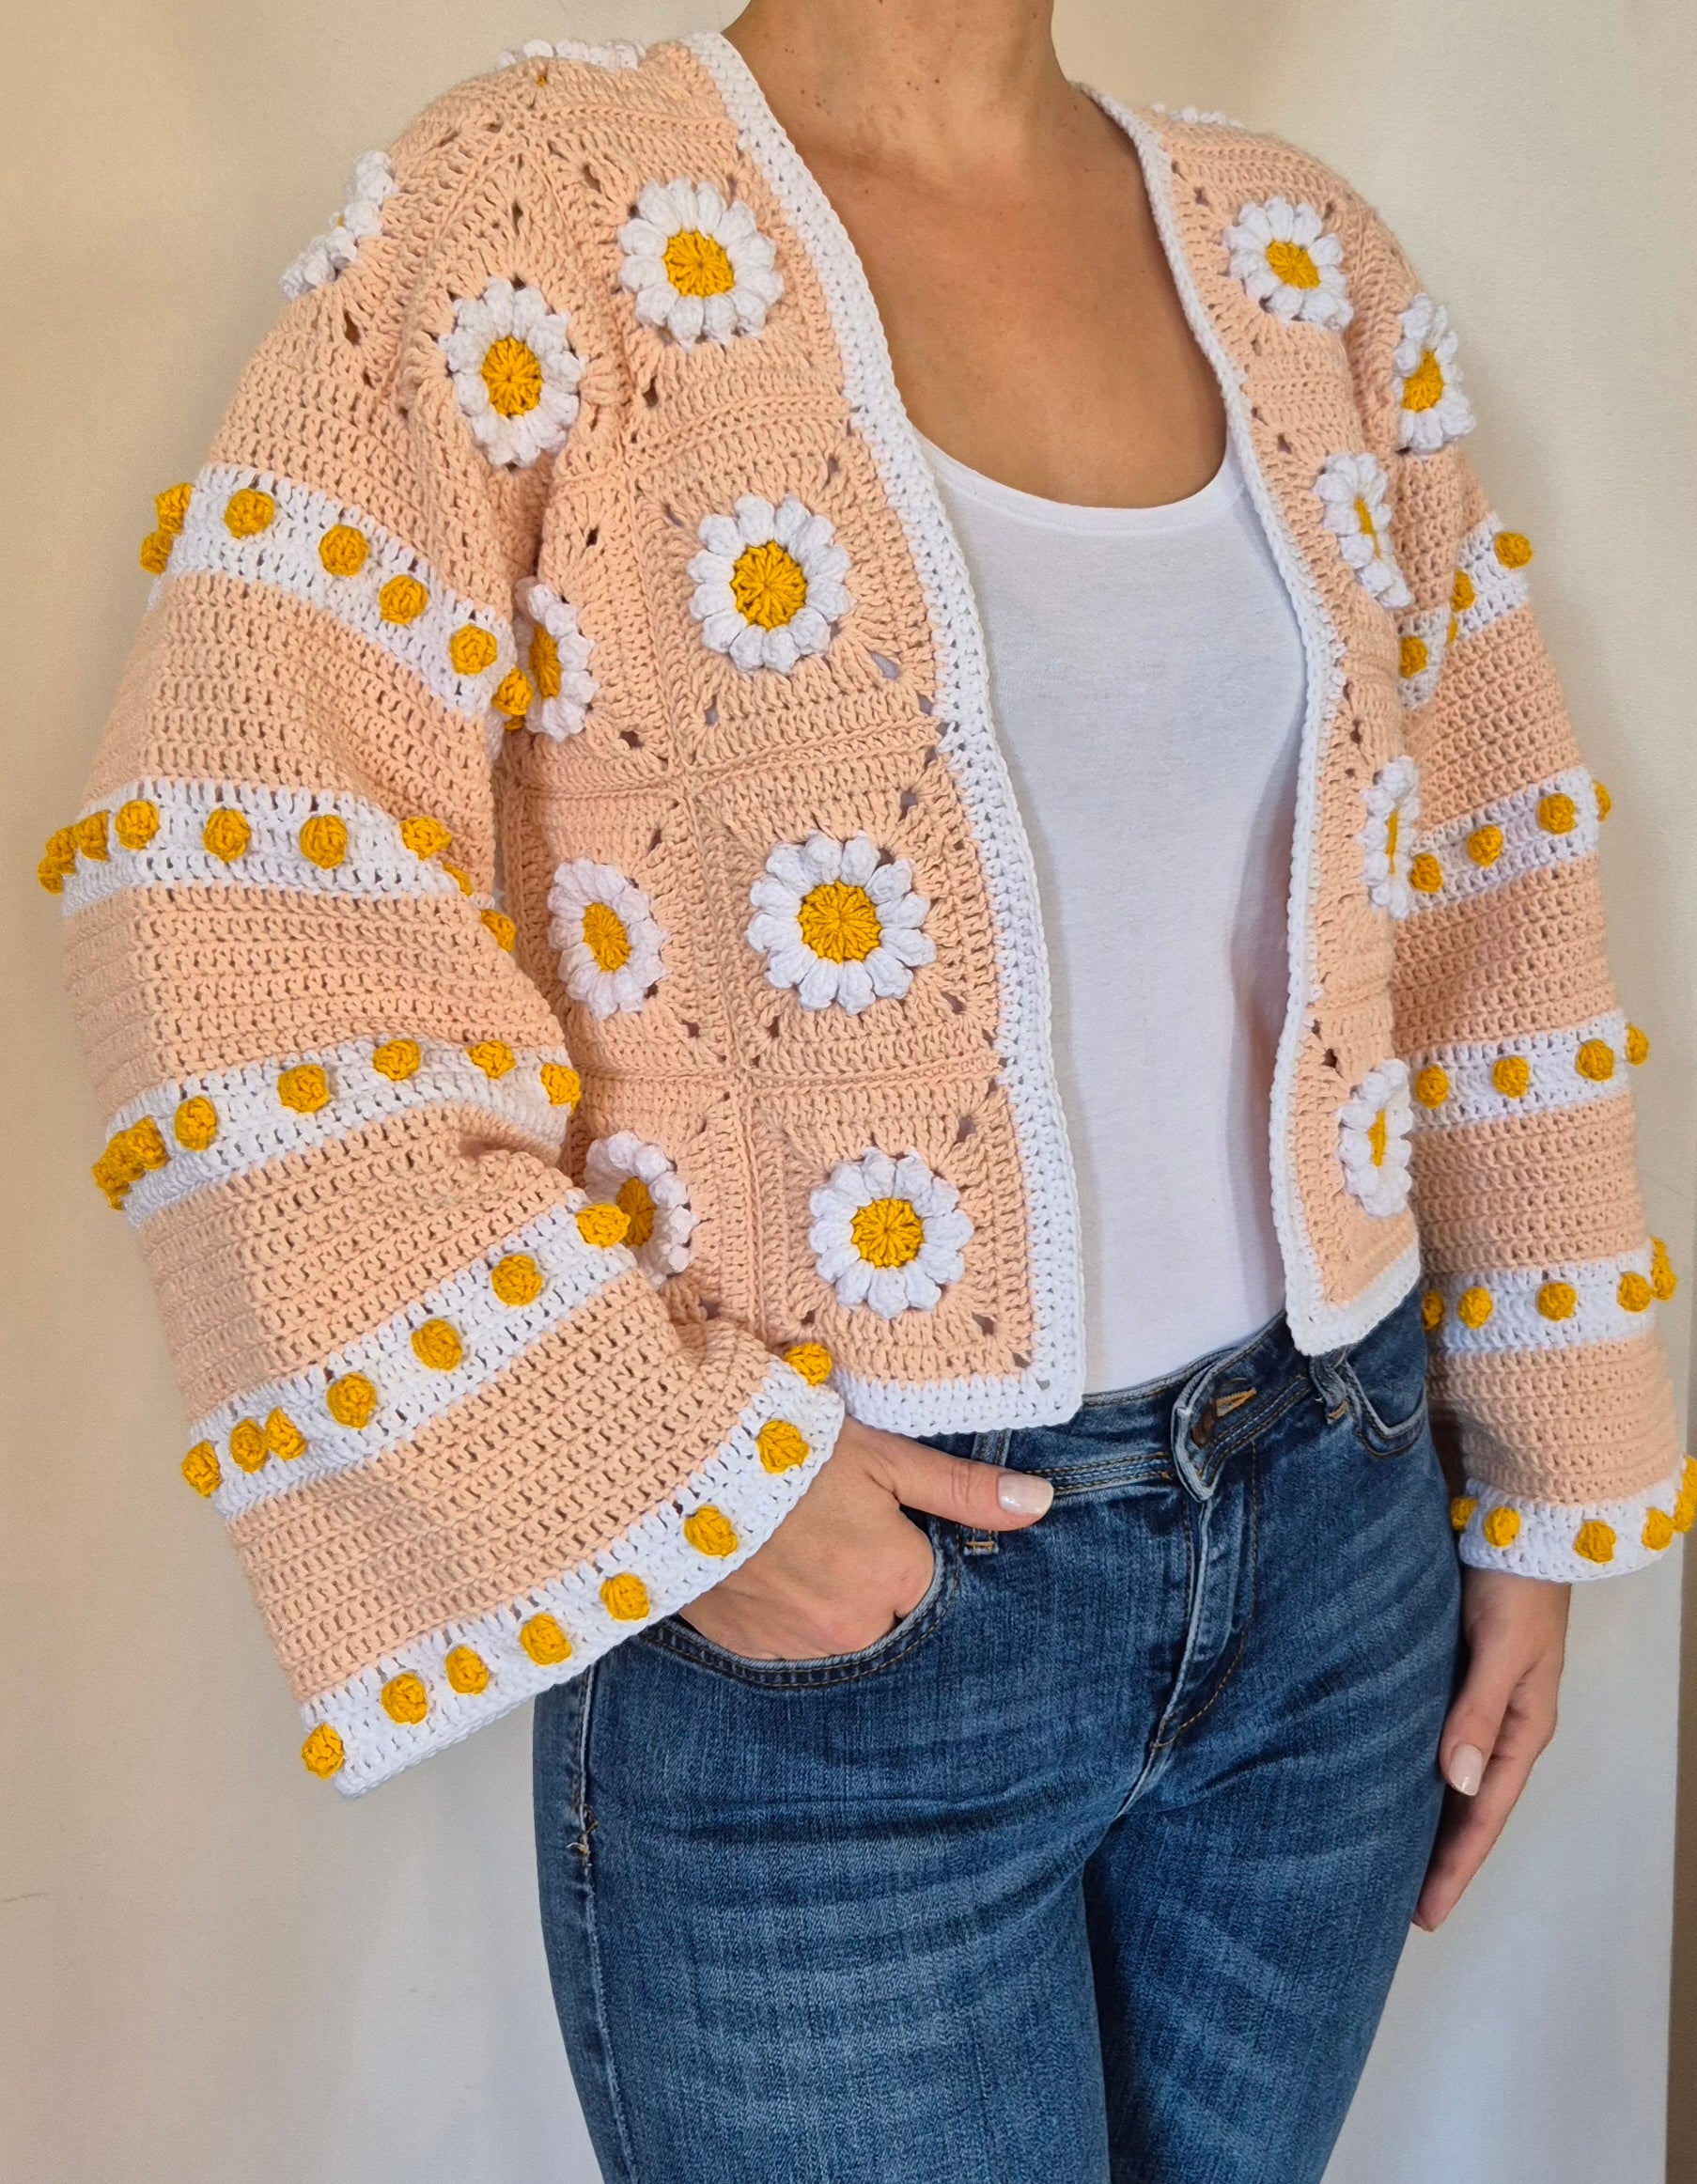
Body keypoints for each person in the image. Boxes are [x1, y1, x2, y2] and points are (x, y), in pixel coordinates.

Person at [47, 4, 1682, 2178]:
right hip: (842, 1628)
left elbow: (1486, 895)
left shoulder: (1302, 258)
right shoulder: (530, 215)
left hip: (1336, 1557)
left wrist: (1540, 1488)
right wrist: (665, 1474)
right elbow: (229, 890)